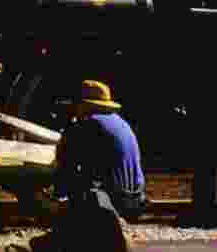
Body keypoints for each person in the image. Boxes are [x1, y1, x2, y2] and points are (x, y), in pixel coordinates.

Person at [28, 80, 145, 252]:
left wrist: (55, 198)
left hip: (110, 203)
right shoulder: (121, 123)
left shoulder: (88, 125)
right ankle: (69, 237)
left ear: (83, 105)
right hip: (136, 199)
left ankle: (64, 237)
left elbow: (66, 165)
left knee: (72, 194)